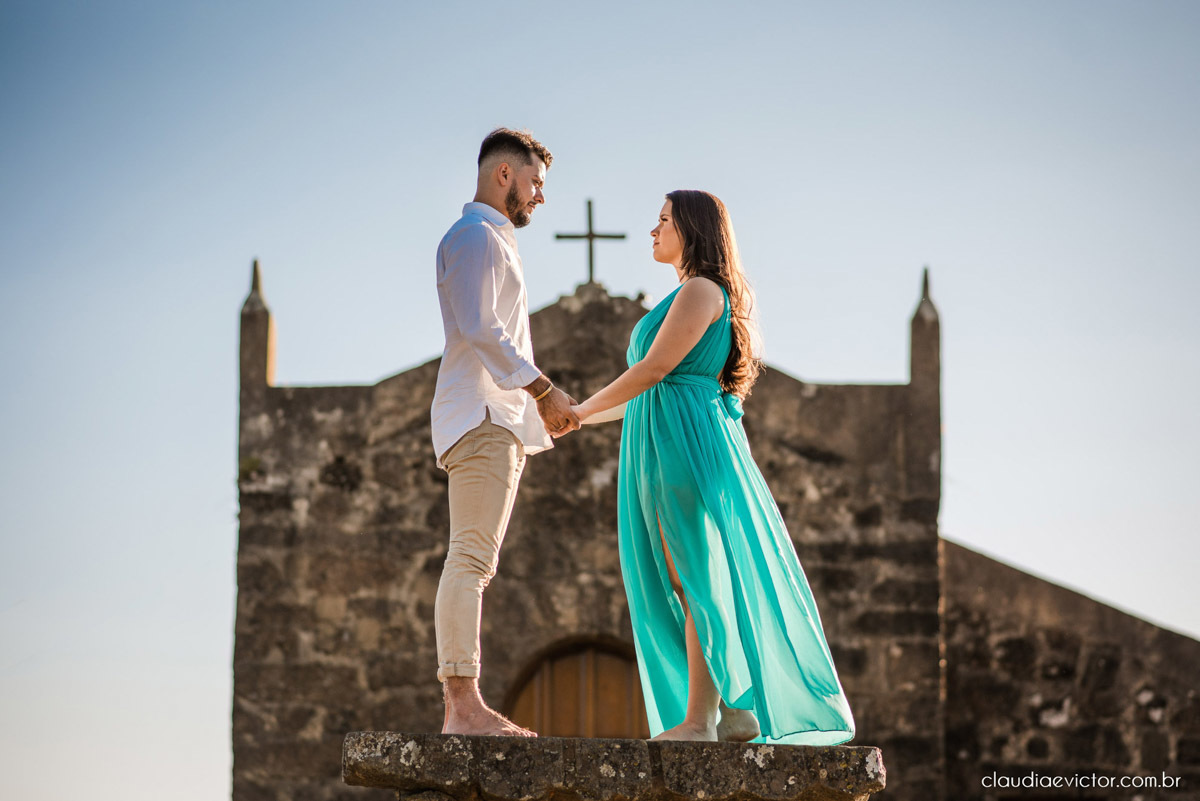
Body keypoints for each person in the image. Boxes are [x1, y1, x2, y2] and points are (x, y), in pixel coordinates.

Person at [571, 190, 855, 744]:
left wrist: (579, 408)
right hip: (664, 438)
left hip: (685, 445)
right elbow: (646, 393)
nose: (652, 231)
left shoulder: (702, 289)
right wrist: (579, 421)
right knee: (684, 579)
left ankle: (700, 722)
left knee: (692, 578)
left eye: (663, 221)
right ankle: (734, 710)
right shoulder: (684, 294)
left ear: (692, 230)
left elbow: (654, 370)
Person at [431, 128, 580, 737]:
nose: (540, 196)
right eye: (535, 182)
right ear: (504, 176)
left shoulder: (490, 240)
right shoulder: (474, 238)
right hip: (485, 416)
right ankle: (463, 708)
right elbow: (481, 327)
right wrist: (544, 393)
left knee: (475, 558)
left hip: (496, 419)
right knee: (470, 557)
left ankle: (462, 704)